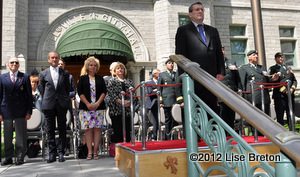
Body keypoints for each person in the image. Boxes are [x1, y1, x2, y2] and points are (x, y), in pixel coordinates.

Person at [175, 2, 225, 114]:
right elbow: (180, 54)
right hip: (193, 77)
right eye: (197, 9)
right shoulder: (183, 30)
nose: (200, 11)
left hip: (211, 77)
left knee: (212, 110)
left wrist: (221, 71)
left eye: (202, 9)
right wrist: (183, 74)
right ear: (190, 14)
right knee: (195, 110)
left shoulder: (212, 30)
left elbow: (218, 53)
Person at [0, 57, 33, 166]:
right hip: (6, 109)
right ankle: (8, 157)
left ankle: (20, 156)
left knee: (20, 135)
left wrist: (29, 111)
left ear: (19, 65)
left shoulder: (25, 77)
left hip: (21, 109)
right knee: (8, 134)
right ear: (8, 65)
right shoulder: (2, 77)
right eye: (12, 62)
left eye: (16, 62)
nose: (14, 64)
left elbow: (29, 95)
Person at [39, 51, 70, 163]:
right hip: (49, 104)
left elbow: (67, 89)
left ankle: (61, 152)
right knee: (50, 129)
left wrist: (64, 99)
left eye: (56, 58)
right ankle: (52, 153)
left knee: (62, 128)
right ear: (48, 59)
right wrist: (47, 99)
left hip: (61, 104)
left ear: (59, 59)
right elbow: (41, 89)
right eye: (52, 58)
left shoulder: (64, 73)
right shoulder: (43, 74)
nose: (54, 60)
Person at [239, 50, 278, 135]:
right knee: (255, 118)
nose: (256, 56)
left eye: (257, 55)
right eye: (254, 55)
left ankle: (266, 135)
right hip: (253, 97)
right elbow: (242, 84)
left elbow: (267, 82)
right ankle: (256, 135)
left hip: (264, 96)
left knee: (266, 117)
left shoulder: (262, 68)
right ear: (249, 57)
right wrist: (245, 98)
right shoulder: (244, 68)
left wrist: (273, 79)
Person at [77, 56, 106, 160]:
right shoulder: (82, 78)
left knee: (97, 130)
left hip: (98, 108)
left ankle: (95, 152)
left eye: (95, 65)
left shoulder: (100, 78)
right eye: (91, 65)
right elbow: (80, 92)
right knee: (88, 130)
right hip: (86, 108)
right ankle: (89, 152)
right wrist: (88, 104)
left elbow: (104, 92)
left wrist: (97, 103)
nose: (93, 67)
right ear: (87, 66)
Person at [107, 62, 138, 143]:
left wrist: (129, 101)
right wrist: (121, 102)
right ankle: (119, 152)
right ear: (114, 70)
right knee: (118, 132)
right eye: (118, 68)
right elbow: (112, 94)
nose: (120, 70)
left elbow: (134, 93)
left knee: (127, 132)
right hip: (116, 110)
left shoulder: (129, 81)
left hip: (127, 110)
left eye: (122, 68)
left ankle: (128, 150)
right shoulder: (112, 81)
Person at [269, 52, 297, 128]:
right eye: (279, 57)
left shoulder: (288, 68)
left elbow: (294, 80)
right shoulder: (273, 69)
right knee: (280, 116)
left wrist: (292, 89)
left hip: (290, 95)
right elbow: (275, 82)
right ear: (275, 59)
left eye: (281, 57)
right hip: (280, 96)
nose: (281, 58)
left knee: (291, 115)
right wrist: (285, 91)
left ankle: (292, 131)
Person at [157, 59, 183, 140]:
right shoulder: (162, 75)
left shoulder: (176, 74)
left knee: (175, 119)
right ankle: (168, 137)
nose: (171, 65)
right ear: (166, 65)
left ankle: (175, 137)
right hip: (166, 100)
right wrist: (160, 101)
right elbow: (159, 89)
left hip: (175, 99)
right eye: (169, 63)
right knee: (168, 119)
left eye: (172, 63)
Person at [218, 45, 242, 130]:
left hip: (232, 94)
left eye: (223, 50)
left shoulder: (231, 62)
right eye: (220, 50)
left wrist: (239, 91)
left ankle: (231, 138)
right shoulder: (214, 63)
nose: (222, 52)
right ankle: (223, 138)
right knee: (222, 117)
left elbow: (237, 79)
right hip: (220, 95)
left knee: (231, 117)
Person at [146, 69, 160, 140]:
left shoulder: (161, 82)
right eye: (158, 73)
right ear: (154, 74)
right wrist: (158, 90)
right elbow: (150, 92)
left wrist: (156, 90)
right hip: (153, 104)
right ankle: (154, 136)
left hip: (161, 103)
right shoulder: (150, 83)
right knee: (155, 121)